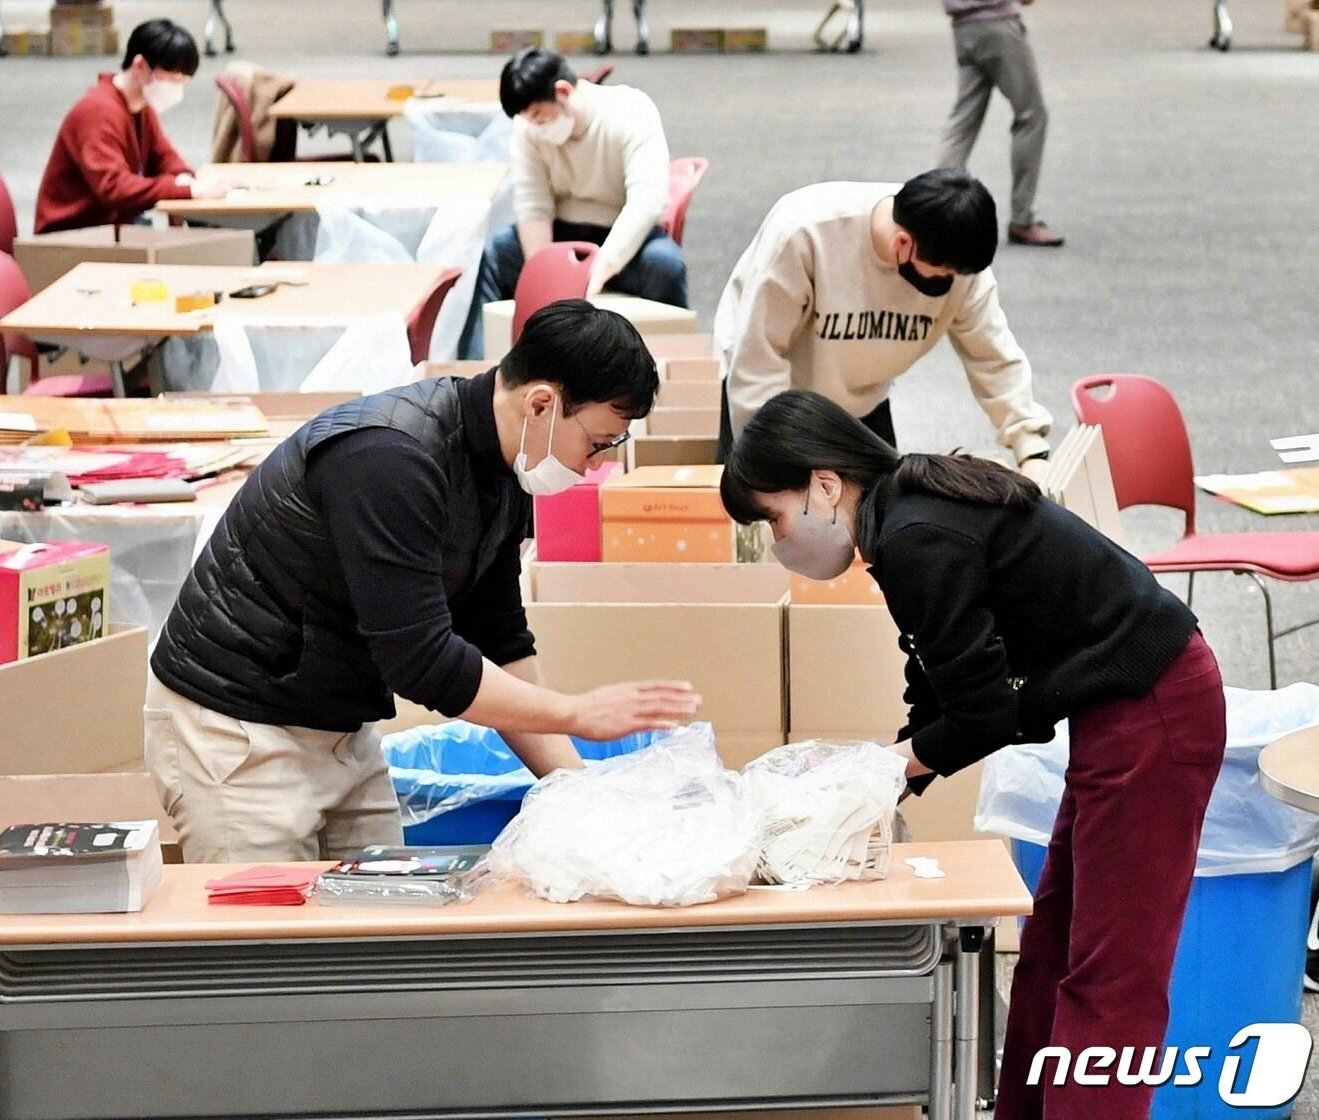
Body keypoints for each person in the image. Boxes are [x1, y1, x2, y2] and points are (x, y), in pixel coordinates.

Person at [720, 389, 1225, 1120]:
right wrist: (879, 777)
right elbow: (939, 678)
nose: (776, 541)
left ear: (823, 485)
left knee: (1113, 978)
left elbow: (981, 712)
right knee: (1050, 948)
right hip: (1113, 707)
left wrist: (881, 772)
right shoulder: (901, 518)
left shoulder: (918, 533)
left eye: (771, 517)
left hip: (1155, 706)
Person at [147, 301, 701, 863]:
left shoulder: (503, 466)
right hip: (236, 725)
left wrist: (578, 786)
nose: (593, 466)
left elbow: (498, 637)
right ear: (542, 404)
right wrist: (575, 715)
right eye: (598, 442)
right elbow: (421, 660)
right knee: (271, 943)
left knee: (384, 927)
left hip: (336, 722)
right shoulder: (390, 459)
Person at [714, 169, 1053, 478]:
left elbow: (991, 355)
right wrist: (769, 462)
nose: (951, 281)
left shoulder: (957, 259)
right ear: (903, 244)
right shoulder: (805, 234)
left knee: (878, 525)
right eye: (944, 273)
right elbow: (759, 358)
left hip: (861, 395)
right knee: (768, 521)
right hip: (776, 394)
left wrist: (1030, 448)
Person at [459, 48, 687, 359]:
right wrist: (546, 276)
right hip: (562, 235)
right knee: (498, 252)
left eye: (540, 116)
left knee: (665, 264)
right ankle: (479, 371)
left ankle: (675, 365)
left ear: (563, 92)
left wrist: (600, 268)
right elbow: (533, 206)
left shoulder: (630, 110)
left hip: (621, 238)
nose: (536, 126)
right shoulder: (528, 130)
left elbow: (645, 202)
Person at [34, 19, 229, 234]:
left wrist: (184, 177)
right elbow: (113, 188)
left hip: (108, 229)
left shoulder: (141, 107)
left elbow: (164, 157)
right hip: (71, 236)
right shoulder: (98, 111)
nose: (178, 87)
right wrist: (186, 190)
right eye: (174, 78)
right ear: (140, 67)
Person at [936, 0, 1063, 247]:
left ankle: (934, 210)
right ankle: (1022, 219)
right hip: (997, 23)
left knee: (962, 124)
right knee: (1032, 117)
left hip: (963, 26)